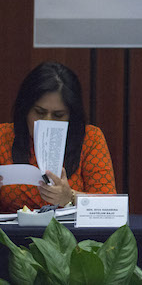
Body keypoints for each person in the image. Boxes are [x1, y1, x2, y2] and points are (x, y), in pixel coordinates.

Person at [0, 62, 116, 213]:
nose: (47, 121)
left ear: (71, 116)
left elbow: (111, 207)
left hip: (72, 235)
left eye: (58, 115)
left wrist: (70, 197)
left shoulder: (90, 139)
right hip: (13, 234)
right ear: (25, 110)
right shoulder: (3, 136)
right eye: (40, 112)